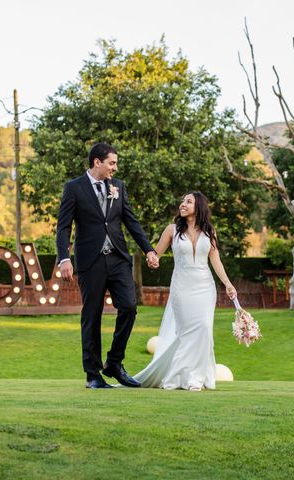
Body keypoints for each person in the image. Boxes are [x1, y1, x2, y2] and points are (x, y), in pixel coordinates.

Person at [56, 142, 159, 389]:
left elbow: (131, 221)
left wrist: (149, 249)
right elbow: (63, 226)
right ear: (97, 162)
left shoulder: (118, 187)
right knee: (92, 315)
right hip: (90, 261)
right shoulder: (74, 188)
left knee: (129, 307)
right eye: (112, 163)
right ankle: (93, 374)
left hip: (117, 258)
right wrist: (64, 258)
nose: (115, 168)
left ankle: (114, 362)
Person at [134, 192, 237, 391]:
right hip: (181, 286)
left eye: (188, 202)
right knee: (185, 332)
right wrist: (152, 259)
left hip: (205, 287)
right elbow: (156, 254)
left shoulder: (210, 232)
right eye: (182, 201)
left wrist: (227, 283)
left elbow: (215, 260)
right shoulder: (172, 230)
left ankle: (196, 378)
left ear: (198, 206)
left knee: (204, 329)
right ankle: (177, 377)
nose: (183, 204)